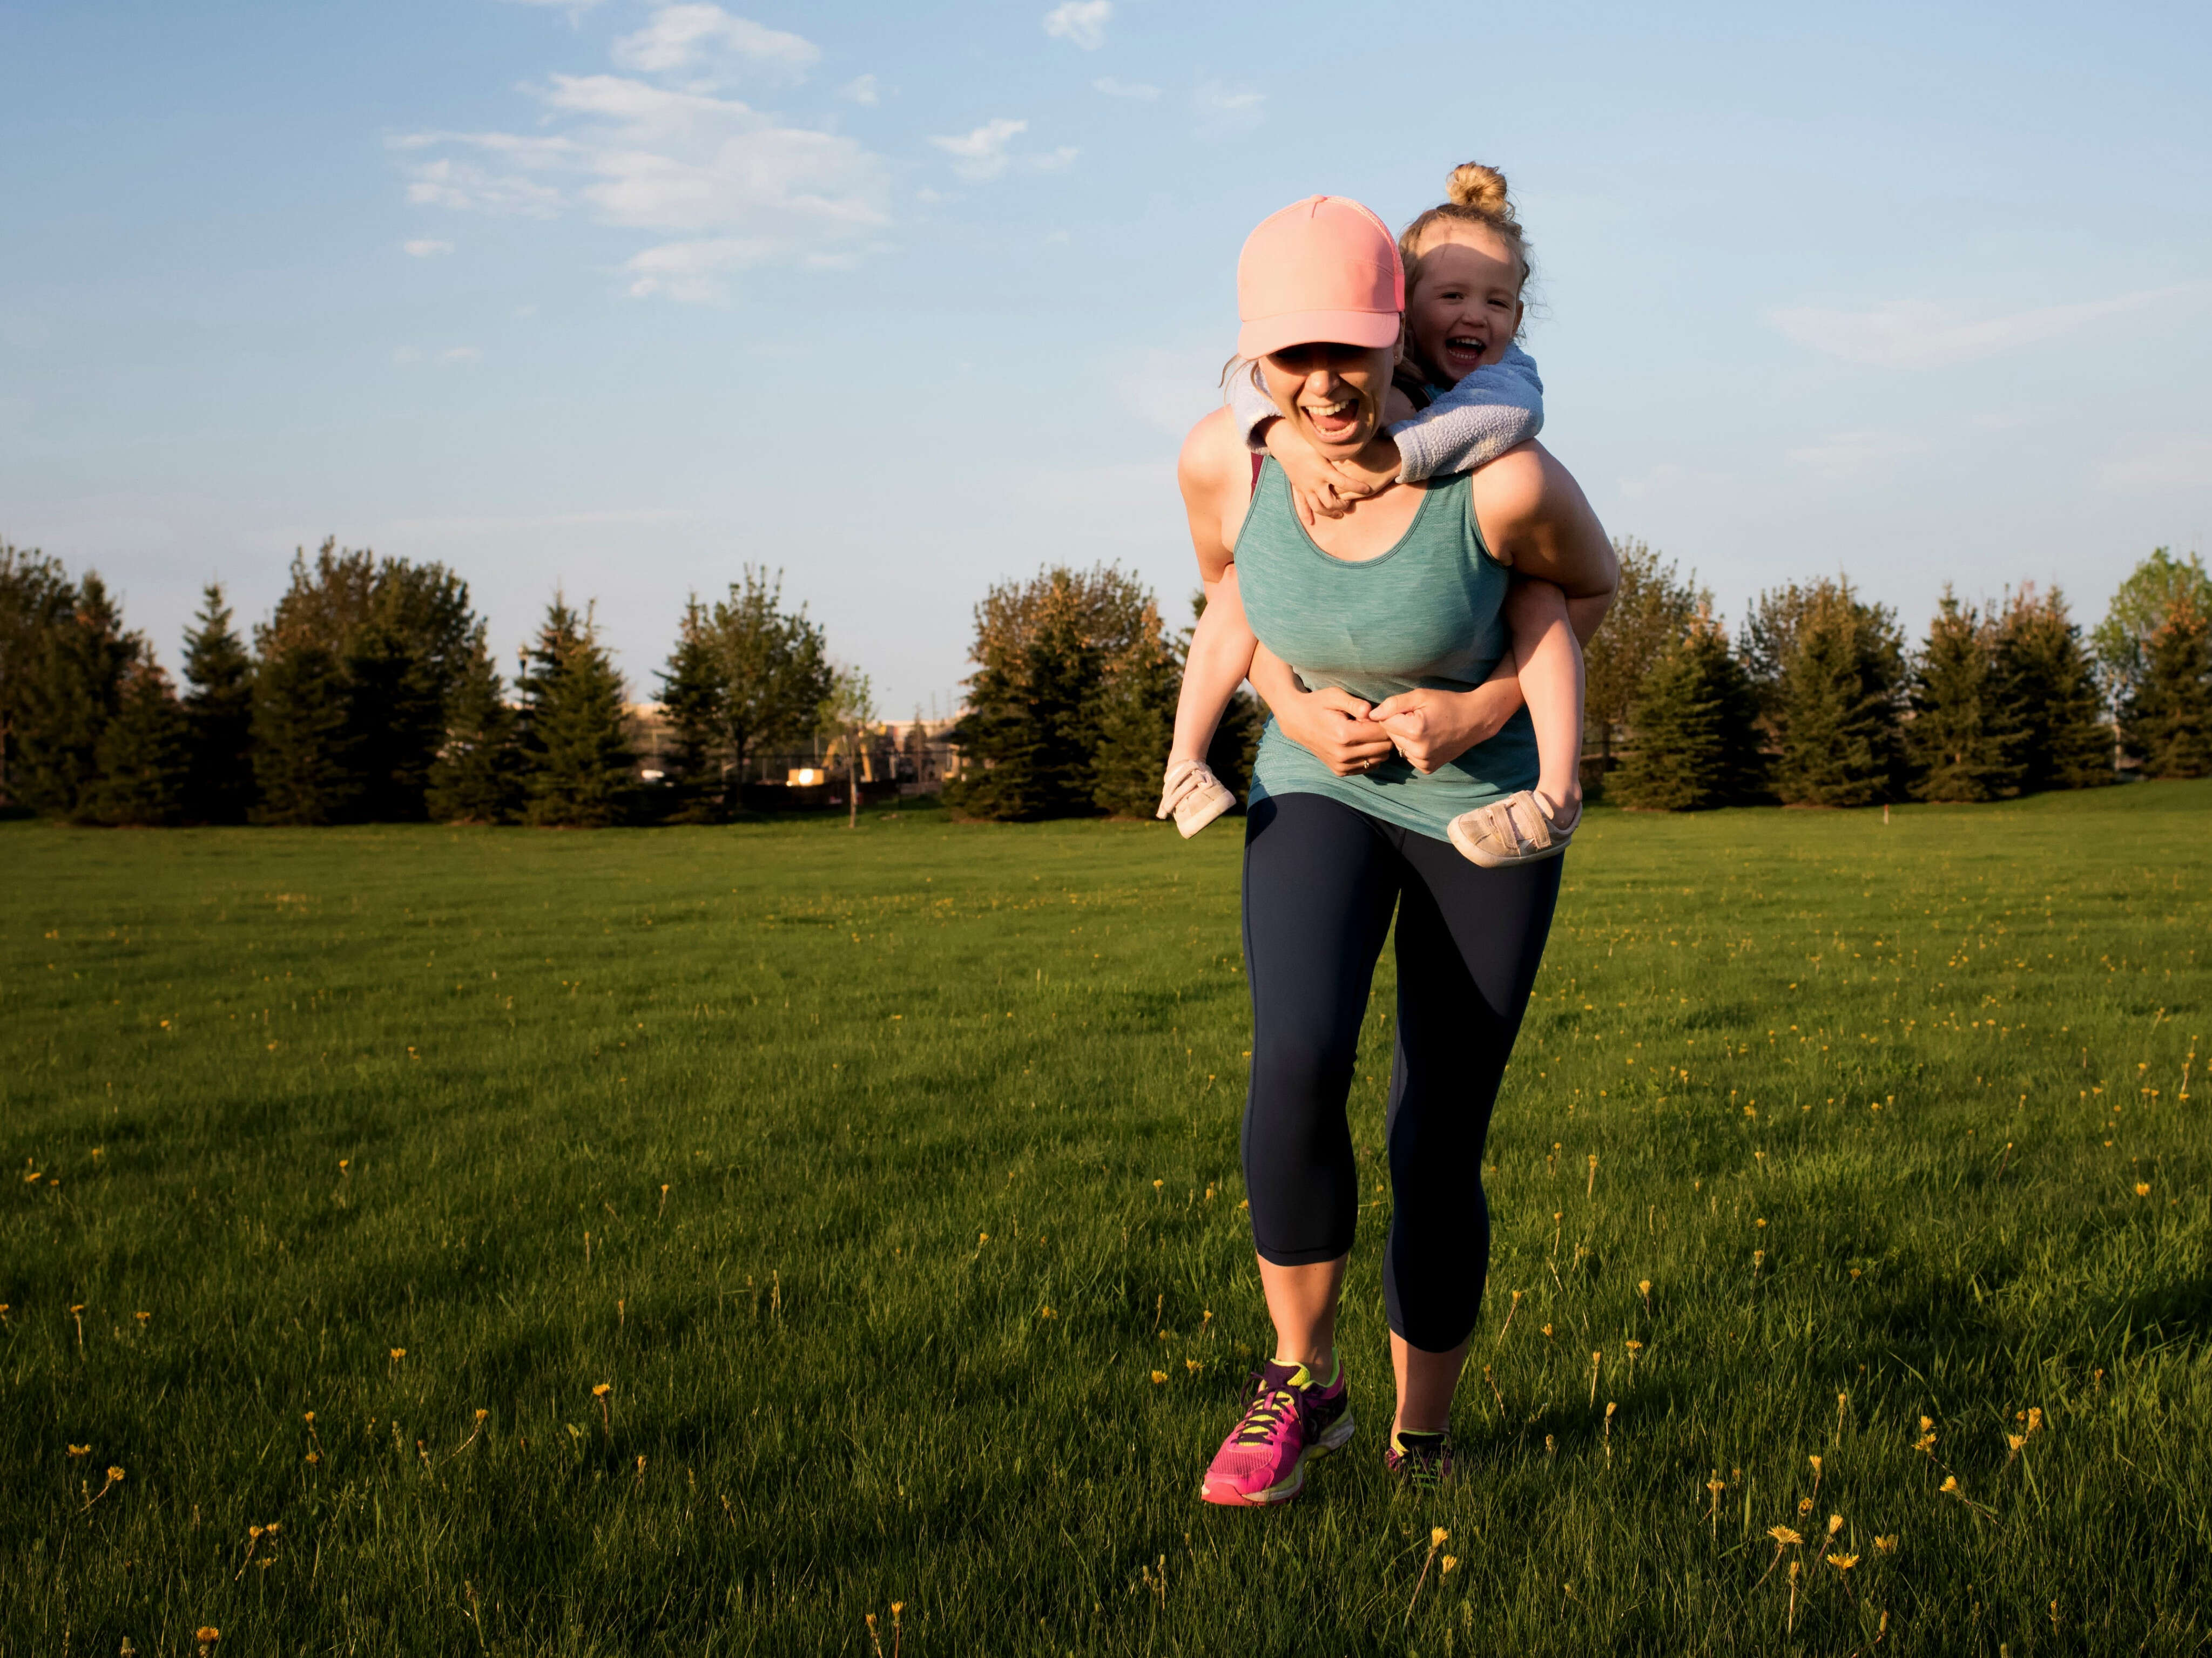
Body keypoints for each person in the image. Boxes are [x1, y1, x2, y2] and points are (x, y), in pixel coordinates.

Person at [1175, 192, 1615, 1504]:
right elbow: (1233, 594)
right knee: (1297, 1058)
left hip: (1477, 806)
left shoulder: (1504, 473)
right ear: (1254, 357)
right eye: (1291, 357)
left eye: (1346, 354)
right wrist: (1285, 703)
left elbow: (1584, 588)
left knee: (1436, 1131)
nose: (1322, 385)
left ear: (1390, 340)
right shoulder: (1226, 457)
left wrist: (1480, 710)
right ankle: (1297, 1383)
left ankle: (1422, 1437)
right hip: (1318, 785)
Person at [1159, 165, 1603, 868]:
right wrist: (1284, 444)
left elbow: (1508, 419)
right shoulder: (1283, 420)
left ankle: (1558, 793)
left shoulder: (1499, 393)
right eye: (1451, 295)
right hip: (1322, 776)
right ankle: (1185, 758)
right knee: (1248, 578)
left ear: (1517, 318)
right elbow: (1246, 381)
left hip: (1482, 768)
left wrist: (1394, 459)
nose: (1474, 316)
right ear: (1402, 309)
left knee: (1536, 593)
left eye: (1497, 301)